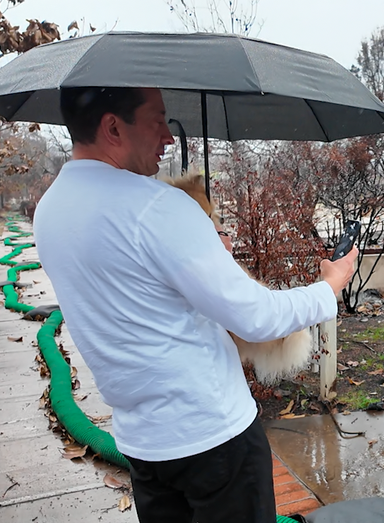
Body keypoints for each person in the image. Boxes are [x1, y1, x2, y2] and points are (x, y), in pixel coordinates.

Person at [33, 87, 358, 523]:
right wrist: (328, 288)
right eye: (158, 120)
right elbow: (256, 317)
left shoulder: (50, 208)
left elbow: (135, 295)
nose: (168, 137)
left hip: (143, 445)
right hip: (213, 440)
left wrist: (204, 254)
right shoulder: (157, 208)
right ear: (113, 126)